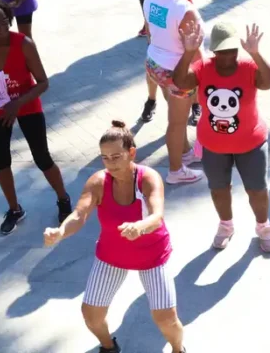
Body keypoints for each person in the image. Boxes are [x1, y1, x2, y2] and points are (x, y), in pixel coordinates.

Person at [44, 121, 184, 353]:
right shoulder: (98, 181)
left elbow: (157, 215)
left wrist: (140, 226)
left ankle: (178, 349)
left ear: (131, 153)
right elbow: (79, 214)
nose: (110, 163)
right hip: (112, 255)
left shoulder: (148, 178)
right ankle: (109, 347)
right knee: (91, 316)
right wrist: (61, 231)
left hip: (152, 256)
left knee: (166, 320)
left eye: (116, 156)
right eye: (105, 158)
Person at [172, 21, 270, 253]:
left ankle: (264, 227)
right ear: (214, 51)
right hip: (213, 145)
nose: (228, 55)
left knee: (257, 190)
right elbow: (180, 82)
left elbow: (269, 81)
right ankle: (226, 225)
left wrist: (256, 54)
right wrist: (188, 53)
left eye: (232, 50)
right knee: (219, 189)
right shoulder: (202, 68)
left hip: (251, 143)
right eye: (222, 51)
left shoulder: (249, 67)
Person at [0, 0, 72, 235]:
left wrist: (17, 103)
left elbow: (43, 82)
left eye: (5, 21)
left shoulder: (23, 44)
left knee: (42, 157)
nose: (3, 27)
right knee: (2, 162)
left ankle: (63, 199)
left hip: (25, 103)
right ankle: (15, 209)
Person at [142, 0, 203, 185]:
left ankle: (186, 152)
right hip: (177, 72)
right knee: (177, 123)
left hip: (155, 64)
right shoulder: (184, 9)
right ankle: (176, 170)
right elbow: (194, 48)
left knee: (177, 115)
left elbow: (149, 31)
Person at [141, 0, 202, 126]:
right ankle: (151, 100)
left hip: (182, 17)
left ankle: (195, 104)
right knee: (153, 55)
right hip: (160, 15)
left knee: (190, 63)